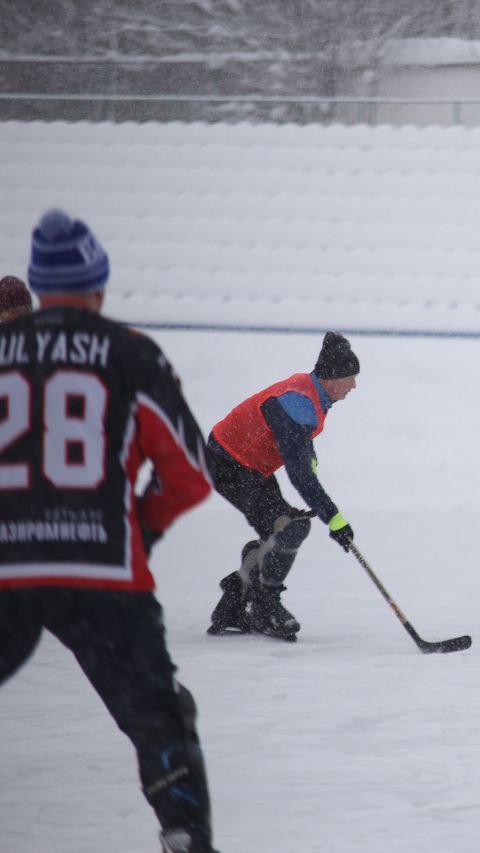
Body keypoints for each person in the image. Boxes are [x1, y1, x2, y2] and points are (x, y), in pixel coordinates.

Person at [0, 210, 218, 853]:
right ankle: (183, 832)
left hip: (9, 567)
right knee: (160, 719)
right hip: (103, 573)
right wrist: (140, 530)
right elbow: (189, 472)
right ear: (97, 285)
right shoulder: (128, 353)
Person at [205, 331, 360, 641]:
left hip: (247, 466)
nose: (353, 386)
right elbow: (299, 475)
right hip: (230, 465)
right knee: (291, 527)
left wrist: (309, 456)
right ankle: (264, 607)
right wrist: (335, 518)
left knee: (282, 529)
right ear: (331, 377)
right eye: (349, 378)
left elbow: (297, 445)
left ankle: (232, 605)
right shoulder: (298, 403)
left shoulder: (312, 392)